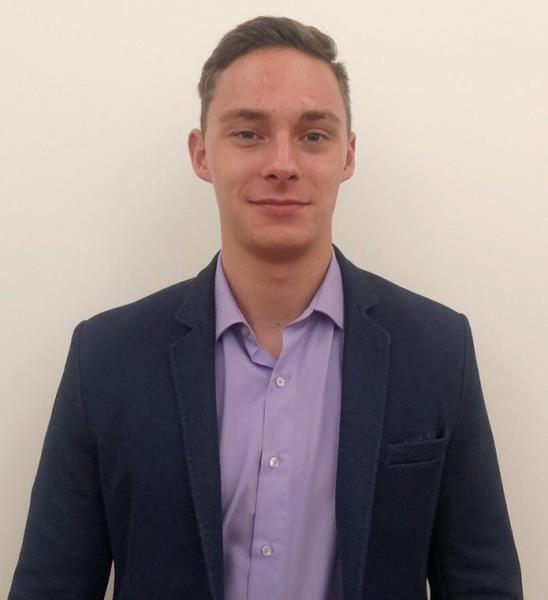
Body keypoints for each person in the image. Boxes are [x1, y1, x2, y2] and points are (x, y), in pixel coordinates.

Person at [9, 15, 522, 600]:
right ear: (202, 155)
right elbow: (51, 584)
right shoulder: (105, 358)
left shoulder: (437, 350)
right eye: (249, 133)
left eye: (313, 135)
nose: (283, 163)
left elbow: (483, 582)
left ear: (348, 156)